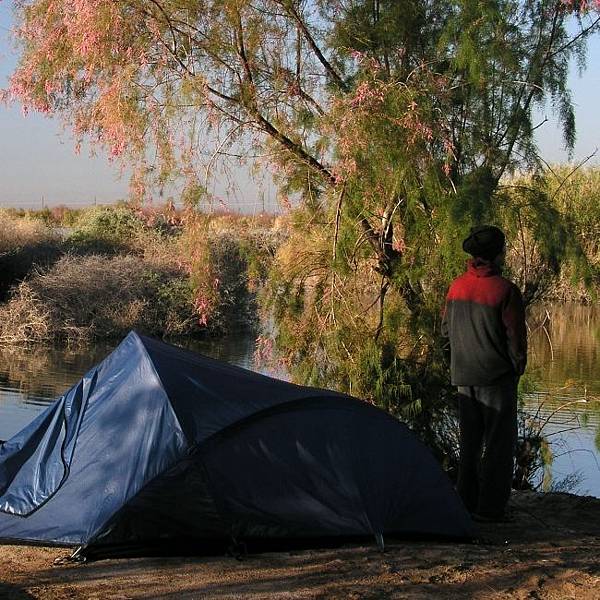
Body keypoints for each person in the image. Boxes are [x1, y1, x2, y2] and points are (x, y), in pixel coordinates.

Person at [442, 225, 527, 522]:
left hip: (463, 377)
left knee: (469, 442)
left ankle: (465, 501)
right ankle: (491, 509)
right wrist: (517, 368)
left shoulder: (456, 287)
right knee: (498, 445)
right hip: (496, 379)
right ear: (497, 255)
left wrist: (456, 364)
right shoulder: (505, 290)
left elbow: (445, 333)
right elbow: (515, 340)